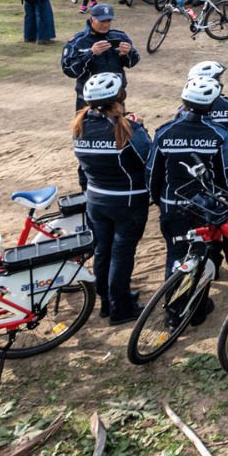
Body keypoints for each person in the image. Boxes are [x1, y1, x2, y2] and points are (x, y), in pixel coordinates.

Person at [147, 77, 228, 325]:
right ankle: (197, 312)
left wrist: (161, 202)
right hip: (204, 210)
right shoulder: (218, 135)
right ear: (211, 105)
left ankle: (173, 313)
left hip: (171, 208)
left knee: (175, 257)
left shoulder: (164, 132)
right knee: (201, 257)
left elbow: (152, 176)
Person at [71, 72, 151, 324]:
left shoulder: (80, 126)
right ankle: (121, 308)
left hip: (95, 198)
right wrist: (141, 129)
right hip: (128, 200)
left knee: (102, 250)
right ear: (120, 97)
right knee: (121, 254)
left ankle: (106, 302)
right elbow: (148, 162)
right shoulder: (129, 129)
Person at [61, 4, 140, 109]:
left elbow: (132, 62)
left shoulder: (120, 36)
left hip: (116, 96)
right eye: (102, 21)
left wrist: (128, 53)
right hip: (88, 99)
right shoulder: (78, 41)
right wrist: (90, 53)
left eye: (109, 21)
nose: (106, 25)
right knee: (88, 125)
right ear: (92, 19)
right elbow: (69, 70)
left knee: (118, 125)